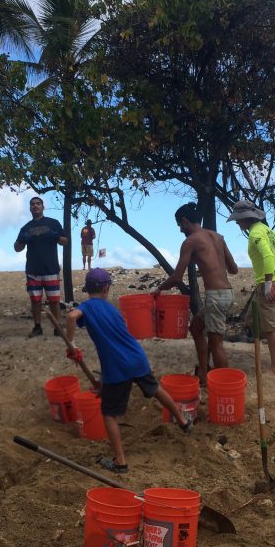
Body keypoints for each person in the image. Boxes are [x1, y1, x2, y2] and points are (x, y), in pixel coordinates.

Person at [66, 268, 192, 474]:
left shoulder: (87, 307)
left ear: (88, 289)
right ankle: (183, 421)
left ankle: (120, 461)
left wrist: (71, 344)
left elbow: (72, 317)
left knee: (108, 413)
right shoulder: (112, 310)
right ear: (106, 288)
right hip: (137, 358)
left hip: (116, 368)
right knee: (156, 389)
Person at [152, 203, 239, 386]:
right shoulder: (218, 237)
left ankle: (225, 385)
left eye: (179, 225)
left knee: (216, 343)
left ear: (185, 221)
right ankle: (204, 372)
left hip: (215, 296)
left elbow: (176, 277)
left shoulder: (190, 241)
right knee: (196, 328)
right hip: (226, 293)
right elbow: (234, 269)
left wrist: (159, 289)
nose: (180, 230)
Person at [227, 200, 275, 377]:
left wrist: (269, 283)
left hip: (267, 283)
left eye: (238, 220)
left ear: (245, 218)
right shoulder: (267, 230)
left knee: (269, 327)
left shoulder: (255, 234)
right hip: (270, 280)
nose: (237, 223)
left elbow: (269, 256)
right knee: (251, 320)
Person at [14, 197, 67, 338]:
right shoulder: (25, 228)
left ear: (43, 207)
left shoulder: (53, 223)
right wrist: (22, 239)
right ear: (30, 208)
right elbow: (16, 248)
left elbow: (65, 241)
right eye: (32, 204)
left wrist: (54, 235)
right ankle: (37, 327)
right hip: (33, 270)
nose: (35, 206)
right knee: (35, 300)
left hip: (51, 268)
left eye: (38, 203)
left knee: (54, 300)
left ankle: (57, 327)